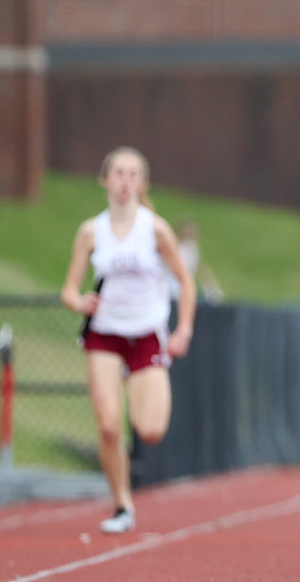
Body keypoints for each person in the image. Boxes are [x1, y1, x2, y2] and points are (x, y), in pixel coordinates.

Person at [58, 147, 196, 535]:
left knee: (149, 429)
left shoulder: (154, 229)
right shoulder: (90, 231)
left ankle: (137, 389)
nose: (125, 181)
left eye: (133, 174)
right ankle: (122, 503)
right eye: (118, 173)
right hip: (104, 334)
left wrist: (183, 329)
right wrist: (79, 301)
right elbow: (68, 289)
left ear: (142, 183)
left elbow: (186, 282)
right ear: (105, 180)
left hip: (146, 334)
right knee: (107, 427)